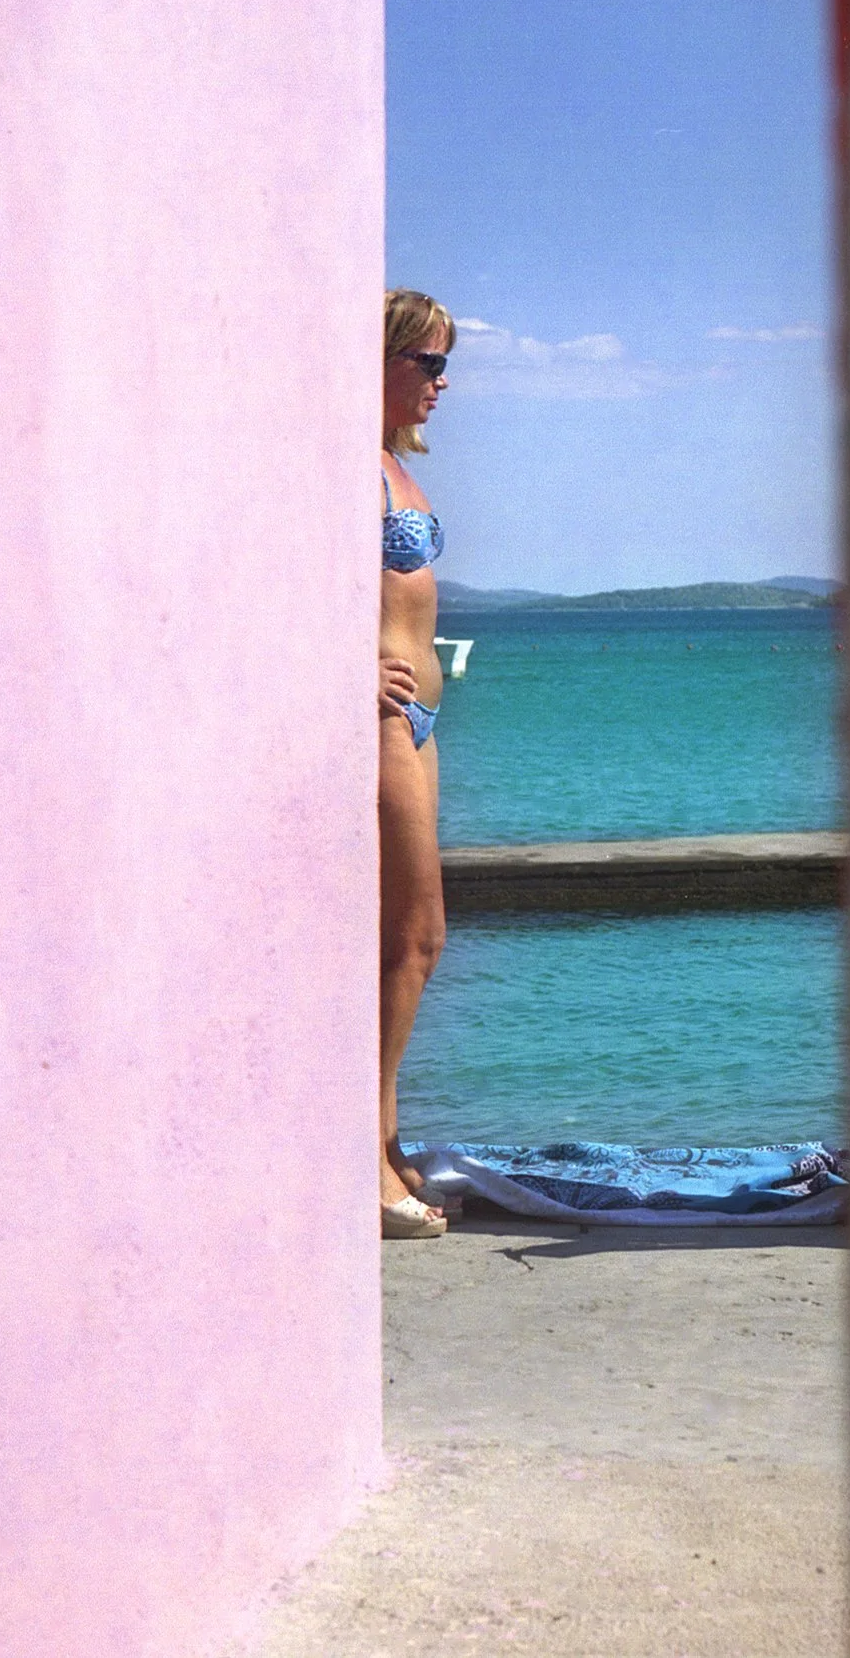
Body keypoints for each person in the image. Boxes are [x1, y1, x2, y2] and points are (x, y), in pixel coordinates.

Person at [378, 289, 455, 1239]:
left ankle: (385, 1140)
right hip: (381, 720)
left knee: (412, 934)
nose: (442, 383)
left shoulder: (395, 465)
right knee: (415, 932)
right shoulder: (342, 466)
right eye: (427, 364)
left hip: (421, 716)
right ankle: (363, 1156)